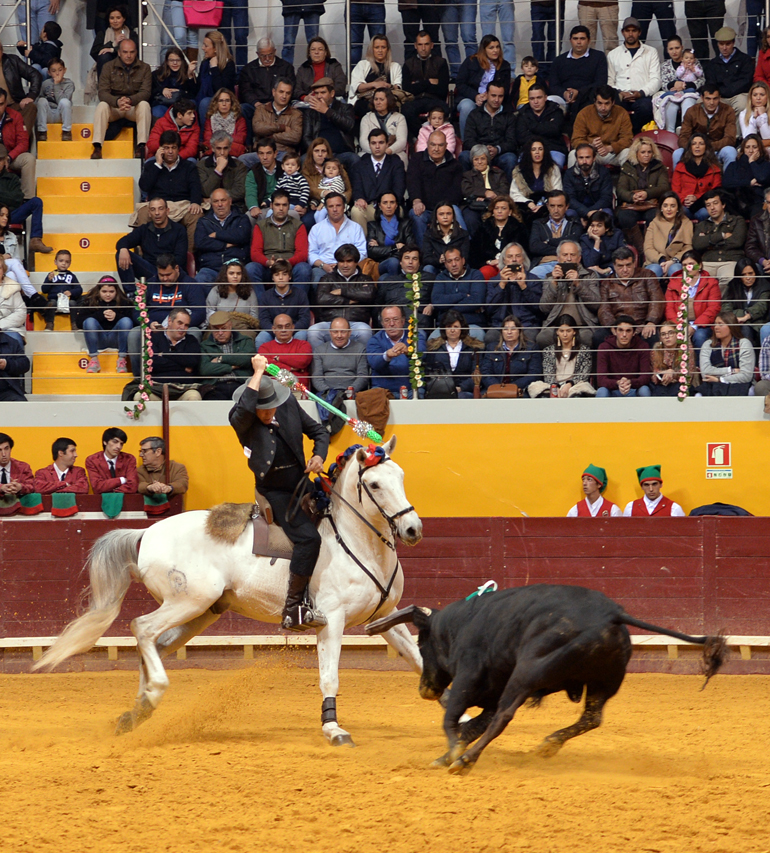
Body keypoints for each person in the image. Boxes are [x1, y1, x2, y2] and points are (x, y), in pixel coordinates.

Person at [229, 353, 329, 631]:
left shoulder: (287, 404)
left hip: (302, 483)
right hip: (275, 492)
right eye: (262, 409)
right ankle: (293, 608)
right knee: (308, 539)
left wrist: (318, 456)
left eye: (270, 407)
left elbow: (319, 432)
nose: (267, 413)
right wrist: (258, 372)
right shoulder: (242, 419)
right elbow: (245, 408)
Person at [135, 130, 203, 250]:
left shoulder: (189, 166)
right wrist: (158, 164)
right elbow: (144, 186)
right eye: (166, 148)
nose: (170, 151)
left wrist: (195, 202)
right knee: (143, 213)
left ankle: (189, 255)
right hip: (158, 206)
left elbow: (195, 187)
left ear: (178, 149)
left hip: (182, 206)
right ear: (160, 149)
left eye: (173, 148)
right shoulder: (151, 166)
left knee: (196, 215)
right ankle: (144, 254)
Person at [91, 39, 151, 161]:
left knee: (144, 105)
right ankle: (97, 146)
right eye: (125, 52)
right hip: (115, 108)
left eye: (132, 52)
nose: (128, 55)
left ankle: (141, 146)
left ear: (136, 52)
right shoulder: (108, 67)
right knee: (102, 106)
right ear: (119, 52)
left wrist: (130, 100)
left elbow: (146, 92)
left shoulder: (145, 68)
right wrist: (117, 101)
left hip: (132, 107)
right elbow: (102, 92)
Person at [307, 243, 376, 348]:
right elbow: (322, 299)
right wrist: (349, 300)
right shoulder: (327, 278)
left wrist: (341, 291)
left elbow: (368, 295)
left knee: (365, 331)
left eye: (349, 261)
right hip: (330, 323)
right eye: (341, 261)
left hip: (356, 323)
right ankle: (320, 359)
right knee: (314, 331)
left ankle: (361, 359)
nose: (345, 265)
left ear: (356, 262)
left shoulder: (365, 279)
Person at [115, 197, 187, 294]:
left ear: (167, 211)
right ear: (149, 213)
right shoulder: (144, 229)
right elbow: (122, 241)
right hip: (150, 271)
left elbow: (180, 259)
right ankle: (131, 294)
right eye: (153, 209)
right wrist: (123, 249)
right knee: (120, 253)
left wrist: (165, 272)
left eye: (160, 209)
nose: (157, 213)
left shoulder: (179, 230)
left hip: (169, 271)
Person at [537, 239, 600, 349]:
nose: (569, 258)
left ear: (579, 258)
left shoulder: (590, 275)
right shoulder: (550, 277)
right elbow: (544, 308)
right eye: (565, 255)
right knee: (542, 338)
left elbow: (596, 304)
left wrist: (578, 284)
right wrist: (554, 283)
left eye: (573, 255)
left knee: (587, 338)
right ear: (558, 258)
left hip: (582, 326)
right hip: (556, 327)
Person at [406, 130, 465, 247]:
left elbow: (456, 192)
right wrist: (417, 200)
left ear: (446, 146)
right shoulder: (417, 159)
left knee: (456, 212)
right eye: (433, 145)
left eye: (440, 145)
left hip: (445, 208)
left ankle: (461, 252)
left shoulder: (455, 165)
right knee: (417, 215)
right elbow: (413, 182)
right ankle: (424, 253)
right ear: (427, 144)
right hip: (424, 208)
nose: (436, 149)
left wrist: (442, 208)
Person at [606, 16, 661, 133]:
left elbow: (656, 79)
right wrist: (620, 93)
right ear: (623, 32)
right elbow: (610, 81)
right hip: (620, 96)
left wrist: (640, 93)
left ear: (639, 32)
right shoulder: (613, 54)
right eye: (627, 31)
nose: (630, 34)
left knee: (645, 108)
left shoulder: (651, 52)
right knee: (612, 107)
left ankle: (635, 135)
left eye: (634, 31)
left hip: (643, 96)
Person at [598, 247, 664, 343]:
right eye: (620, 266)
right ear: (614, 266)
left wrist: (651, 321)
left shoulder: (647, 275)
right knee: (599, 336)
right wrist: (612, 326)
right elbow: (604, 308)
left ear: (634, 263)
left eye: (628, 265)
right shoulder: (607, 283)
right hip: (618, 326)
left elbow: (657, 299)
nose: (625, 270)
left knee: (652, 335)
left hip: (643, 324)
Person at [193, 188, 258, 283]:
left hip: (238, 267)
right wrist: (226, 244)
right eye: (216, 201)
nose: (220, 204)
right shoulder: (203, 221)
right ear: (211, 203)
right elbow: (200, 243)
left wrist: (217, 234)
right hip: (212, 268)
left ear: (230, 201)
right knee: (201, 278)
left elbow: (242, 236)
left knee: (252, 269)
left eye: (223, 200)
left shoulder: (241, 218)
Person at [250, 190, 312, 288]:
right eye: (277, 205)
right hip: (268, 266)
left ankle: (298, 298)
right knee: (251, 268)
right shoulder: (260, 226)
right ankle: (262, 298)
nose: (281, 208)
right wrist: (268, 262)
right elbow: (255, 252)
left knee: (304, 269)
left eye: (284, 205)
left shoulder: (298, 225)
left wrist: (287, 262)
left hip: (290, 266)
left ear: (289, 206)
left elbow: (302, 253)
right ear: (271, 206)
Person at [311, 317, 370, 420]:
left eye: (343, 332)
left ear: (349, 332)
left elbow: (363, 376)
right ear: (330, 332)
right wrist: (330, 394)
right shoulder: (319, 350)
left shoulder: (360, 349)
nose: (339, 335)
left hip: (352, 396)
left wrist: (349, 392)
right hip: (327, 397)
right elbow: (317, 378)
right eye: (335, 332)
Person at [615, 137, 672, 244]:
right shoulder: (627, 167)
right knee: (624, 216)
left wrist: (647, 193)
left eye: (649, 152)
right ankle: (640, 248)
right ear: (636, 153)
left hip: (652, 204)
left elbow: (664, 187)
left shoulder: (659, 167)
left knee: (655, 216)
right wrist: (632, 196)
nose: (646, 155)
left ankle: (651, 246)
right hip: (632, 204)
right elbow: (621, 190)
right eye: (643, 152)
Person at [458, 79, 517, 181]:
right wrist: (482, 150)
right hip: (478, 154)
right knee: (464, 156)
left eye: (500, 96)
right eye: (493, 95)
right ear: (486, 95)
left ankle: (507, 190)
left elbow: (512, 142)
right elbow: (468, 141)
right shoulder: (474, 114)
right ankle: (467, 188)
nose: (497, 100)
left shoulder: (509, 116)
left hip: (500, 155)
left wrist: (497, 149)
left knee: (510, 159)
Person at [484, 241, 543, 342]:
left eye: (518, 256)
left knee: (530, 338)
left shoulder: (533, 279)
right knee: (490, 338)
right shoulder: (494, 281)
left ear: (523, 259)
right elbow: (489, 309)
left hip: (526, 325)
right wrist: (502, 284)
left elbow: (538, 308)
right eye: (510, 256)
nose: (514, 259)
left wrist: (524, 286)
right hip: (500, 325)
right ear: (504, 260)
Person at [548, 25, 608, 124]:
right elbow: (553, 85)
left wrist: (579, 92)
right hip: (563, 97)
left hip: (588, 96)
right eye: (575, 39)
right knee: (549, 101)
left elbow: (600, 82)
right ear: (570, 40)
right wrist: (564, 93)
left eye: (582, 39)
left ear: (589, 40)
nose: (579, 42)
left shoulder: (598, 57)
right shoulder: (559, 60)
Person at [692, 190, 748, 294]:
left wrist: (709, 243)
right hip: (707, 261)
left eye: (715, 203)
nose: (712, 208)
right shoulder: (701, 225)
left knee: (728, 279)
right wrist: (722, 236)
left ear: (723, 205)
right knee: (694, 278)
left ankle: (718, 304)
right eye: (708, 205)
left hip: (729, 260)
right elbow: (697, 244)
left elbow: (737, 241)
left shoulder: (737, 220)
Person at [141, 307, 202, 401]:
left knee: (194, 397)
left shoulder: (191, 340)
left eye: (186, 325)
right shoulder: (154, 338)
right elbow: (153, 363)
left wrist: (165, 354)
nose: (182, 328)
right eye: (180, 323)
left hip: (184, 388)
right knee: (139, 396)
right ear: (169, 321)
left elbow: (192, 361)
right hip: (156, 388)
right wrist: (183, 367)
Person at [350, 127, 406, 229]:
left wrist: (386, 203)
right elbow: (357, 188)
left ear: (387, 144)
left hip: (390, 205)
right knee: (356, 210)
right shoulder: (360, 165)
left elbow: (399, 188)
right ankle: (362, 240)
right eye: (373, 143)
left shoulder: (396, 163)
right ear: (369, 145)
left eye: (381, 142)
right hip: (368, 206)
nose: (377, 146)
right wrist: (359, 198)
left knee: (396, 208)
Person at [455, 35, 511, 139]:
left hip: (493, 98)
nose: (495, 50)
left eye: (497, 47)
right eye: (491, 48)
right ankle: (465, 142)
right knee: (467, 106)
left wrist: (488, 97)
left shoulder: (504, 65)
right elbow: (460, 83)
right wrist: (475, 96)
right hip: (470, 97)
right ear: (484, 49)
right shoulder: (471, 61)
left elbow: (505, 89)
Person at [664, 250, 722, 350]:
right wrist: (681, 326)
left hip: (703, 325)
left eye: (691, 264)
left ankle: (700, 361)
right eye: (684, 265)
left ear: (700, 265)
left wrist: (694, 326)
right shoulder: (674, 283)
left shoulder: (711, 283)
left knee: (700, 336)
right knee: (669, 336)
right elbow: (669, 308)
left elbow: (713, 308)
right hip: (678, 325)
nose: (688, 267)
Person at [366, 304, 427, 398]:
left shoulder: (415, 336)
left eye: (395, 319)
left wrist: (408, 351)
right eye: (387, 320)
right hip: (383, 390)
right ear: (382, 323)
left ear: (403, 321)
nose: (391, 324)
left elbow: (422, 355)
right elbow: (374, 363)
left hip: (412, 390)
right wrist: (387, 356)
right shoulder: (375, 340)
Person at [528, 314, 595, 398]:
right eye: (561, 331)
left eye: (568, 331)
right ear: (557, 332)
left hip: (574, 386)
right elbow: (548, 374)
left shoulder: (584, 351)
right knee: (534, 386)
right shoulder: (549, 351)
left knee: (583, 388)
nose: (565, 334)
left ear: (574, 332)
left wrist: (569, 384)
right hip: (553, 386)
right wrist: (555, 387)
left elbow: (583, 375)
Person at [300, 78, 358, 175]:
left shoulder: (346, 108)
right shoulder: (310, 112)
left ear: (332, 93)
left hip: (341, 153)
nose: (319, 96)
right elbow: (306, 137)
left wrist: (327, 111)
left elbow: (349, 125)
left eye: (323, 92)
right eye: (316, 93)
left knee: (354, 159)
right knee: (302, 159)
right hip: (318, 153)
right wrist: (318, 151)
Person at [77, 276, 134, 374]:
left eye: (111, 291)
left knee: (126, 321)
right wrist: (100, 315)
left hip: (118, 339)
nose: (108, 295)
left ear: (116, 291)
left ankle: (121, 360)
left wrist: (116, 316)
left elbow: (133, 321)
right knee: (89, 321)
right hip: (98, 339)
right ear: (99, 291)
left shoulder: (124, 302)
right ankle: (94, 360)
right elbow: (79, 323)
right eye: (104, 291)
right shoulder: (90, 301)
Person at [424, 309, 485, 398]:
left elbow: (477, 374)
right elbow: (429, 373)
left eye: (456, 327)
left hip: (464, 391)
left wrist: (461, 388)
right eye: (449, 327)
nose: (452, 330)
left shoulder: (474, 348)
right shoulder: (434, 348)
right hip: (440, 390)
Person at [307, 193, 367, 283]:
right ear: (326, 208)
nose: (335, 209)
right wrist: (323, 265)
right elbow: (311, 254)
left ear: (344, 207)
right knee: (317, 279)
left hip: (350, 268)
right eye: (331, 206)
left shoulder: (356, 228)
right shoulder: (316, 228)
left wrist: (344, 265)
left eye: (338, 205)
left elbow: (362, 252)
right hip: (324, 268)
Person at [674, 86, 737, 170]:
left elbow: (730, 139)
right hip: (694, 150)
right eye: (708, 99)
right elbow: (683, 137)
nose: (711, 102)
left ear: (719, 98)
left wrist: (707, 147)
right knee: (677, 153)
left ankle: (729, 178)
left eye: (715, 99)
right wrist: (695, 148)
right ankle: (678, 178)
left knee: (730, 151)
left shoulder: (728, 111)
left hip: (717, 150)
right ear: (702, 98)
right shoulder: (692, 111)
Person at [694, 310, 755, 396]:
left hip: (739, 385)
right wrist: (731, 371)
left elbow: (746, 376)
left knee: (751, 392)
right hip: (713, 386)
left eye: (720, 324)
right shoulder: (708, 344)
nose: (716, 327)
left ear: (731, 326)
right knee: (698, 396)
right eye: (715, 324)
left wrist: (720, 379)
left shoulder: (743, 343)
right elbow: (706, 373)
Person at [400, 31, 449, 138]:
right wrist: (429, 82)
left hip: (435, 99)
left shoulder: (441, 62)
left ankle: (434, 138)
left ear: (432, 45)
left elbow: (442, 90)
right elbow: (407, 90)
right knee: (406, 111)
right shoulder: (408, 64)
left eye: (426, 44)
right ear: (415, 46)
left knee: (444, 109)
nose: (423, 48)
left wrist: (417, 85)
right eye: (420, 44)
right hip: (414, 100)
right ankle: (424, 137)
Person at [431, 246, 486, 341]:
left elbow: (476, 301)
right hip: (446, 326)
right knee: (431, 341)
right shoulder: (441, 277)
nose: (454, 264)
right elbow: (437, 302)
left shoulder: (475, 275)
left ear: (463, 260)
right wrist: (463, 295)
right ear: (445, 264)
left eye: (457, 260)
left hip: (471, 324)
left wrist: (446, 308)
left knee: (479, 335)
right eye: (449, 261)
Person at [570, 86, 633, 168]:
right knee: (573, 154)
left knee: (628, 153)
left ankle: (628, 176)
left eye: (607, 103)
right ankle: (574, 177)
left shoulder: (622, 113)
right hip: (591, 153)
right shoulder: (584, 113)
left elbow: (627, 139)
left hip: (613, 153)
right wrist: (590, 146)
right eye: (599, 103)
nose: (603, 108)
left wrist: (611, 148)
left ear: (613, 102)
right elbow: (576, 140)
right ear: (594, 102)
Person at [480, 314, 542, 397]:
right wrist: (499, 388)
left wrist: (511, 388)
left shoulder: (532, 348)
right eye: (505, 329)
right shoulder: (491, 348)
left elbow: (534, 374)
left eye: (513, 329)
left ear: (519, 331)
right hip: (495, 389)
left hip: (520, 390)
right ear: (502, 332)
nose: (509, 332)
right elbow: (485, 372)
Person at [200, 311, 256, 400]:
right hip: (215, 387)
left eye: (224, 328)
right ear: (211, 329)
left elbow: (246, 359)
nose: (220, 333)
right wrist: (232, 366)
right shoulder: (204, 346)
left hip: (241, 384)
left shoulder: (245, 341)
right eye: (216, 329)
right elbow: (205, 369)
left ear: (230, 326)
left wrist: (221, 359)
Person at [528, 191, 584, 279]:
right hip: (544, 265)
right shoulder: (538, 224)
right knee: (531, 277)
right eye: (552, 206)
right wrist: (563, 250)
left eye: (560, 206)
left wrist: (548, 241)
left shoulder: (575, 223)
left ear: (567, 207)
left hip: (570, 264)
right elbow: (534, 246)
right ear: (547, 206)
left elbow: (574, 240)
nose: (556, 210)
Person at [256, 259, 311, 346]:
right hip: (273, 331)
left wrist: (291, 329)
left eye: (284, 274)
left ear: (289, 277)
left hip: (294, 330)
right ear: (272, 278)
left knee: (301, 335)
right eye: (277, 275)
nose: (281, 278)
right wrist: (276, 330)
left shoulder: (300, 294)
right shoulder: (265, 296)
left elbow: (305, 319)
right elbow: (263, 320)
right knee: (261, 338)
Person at [596, 315, 652, 398]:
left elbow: (646, 377)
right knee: (602, 391)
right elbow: (601, 380)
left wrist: (630, 382)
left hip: (634, 388)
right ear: (615, 331)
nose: (624, 335)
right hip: (612, 389)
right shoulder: (604, 347)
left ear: (634, 333)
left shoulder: (642, 346)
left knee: (644, 390)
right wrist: (618, 383)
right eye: (620, 330)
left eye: (628, 331)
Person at [470, 195, 527, 277]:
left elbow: (524, 252)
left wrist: (505, 262)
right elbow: (475, 253)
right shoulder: (483, 228)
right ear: (493, 211)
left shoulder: (519, 228)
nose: (499, 211)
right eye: (496, 208)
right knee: (484, 272)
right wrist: (489, 262)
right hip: (490, 265)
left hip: (513, 264)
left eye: (503, 208)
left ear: (510, 212)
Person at [349, 35, 403, 121]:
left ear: (387, 49)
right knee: (363, 107)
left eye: (383, 47)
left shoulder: (395, 66)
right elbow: (357, 87)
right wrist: (374, 84)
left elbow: (398, 88)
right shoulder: (362, 64)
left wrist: (388, 86)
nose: (380, 50)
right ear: (372, 49)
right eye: (377, 47)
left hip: (387, 102)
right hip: (366, 101)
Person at [460, 145, 509, 238]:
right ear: (472, 161)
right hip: (473, 206)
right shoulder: (467, 175)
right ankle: (476, 243)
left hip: (494, 204)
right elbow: (466, 190)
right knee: (471, 219)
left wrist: (491, 196)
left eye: (482, 158)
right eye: (476, 159)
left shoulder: (498, 173)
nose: (479, 162)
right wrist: (485, 193)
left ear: (488, 159)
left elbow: (504, 189)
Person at [656, 37, 704, 133]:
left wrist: (685, 85)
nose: (674, 51)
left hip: (689, 93)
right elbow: (664, 84)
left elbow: (702, 80)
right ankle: (670, 133)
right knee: (670, 106)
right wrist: (674, 84)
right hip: (673, 94)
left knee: (688, 102)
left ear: (682, 47)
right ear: (667, 50)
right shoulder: (665, 65)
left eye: (677, 48)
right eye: (671, 49)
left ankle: (685, 131)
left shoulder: (693, 61)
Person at [508, 138, 562, 223]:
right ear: (529, 152)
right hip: (526, 206)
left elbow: (557, 191)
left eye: (540, 149)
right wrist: (528, 203)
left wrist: (543, 205)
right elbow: (514, 194)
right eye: (533, 149)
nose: (537, 152)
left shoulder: (553, 169)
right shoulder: (519, 170)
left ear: (544, 152)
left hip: (547, 206)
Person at [513, 83, 566, 168]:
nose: (536, 102)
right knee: (522, 168)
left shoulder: (556, 111)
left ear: (545, 97)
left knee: (554, 168)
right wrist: (546, 129)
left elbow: (555, 130)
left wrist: (531, 127)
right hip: (529, 150)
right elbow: (522, 137)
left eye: (539, 97)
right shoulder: (523, 113)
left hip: (554, 149)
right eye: (532, 98)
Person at [704, 26, 754, 116]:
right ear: (717, 44)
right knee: (701, 102)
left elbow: (746, 81)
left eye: (728, 44)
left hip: (739, 95)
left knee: (742, 106)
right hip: (719, 96)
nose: (724, 48)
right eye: (721, 44)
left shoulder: (745, 60)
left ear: (733, 43)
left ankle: (733, 126)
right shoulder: (712, 63)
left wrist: (725, 91)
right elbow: (710, 82)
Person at [672, 133, 723, 222]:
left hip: (703, 204)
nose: (697, 146)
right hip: (684, 204)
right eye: (694, 143)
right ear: (690, 147)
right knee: (678, 211)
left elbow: (715, 191)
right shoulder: (680, 167)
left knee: (705, 213)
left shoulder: (714, 168)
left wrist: (696, 198)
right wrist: (685, 200)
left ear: (706, 147)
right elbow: (675, 190)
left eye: (701, 144)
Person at [644, 192, 693, 281]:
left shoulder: (686, 223)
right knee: (654, 270)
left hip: (677, 261)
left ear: (678, 208)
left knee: (675, 269)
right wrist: (661, 260)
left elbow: (688, 247)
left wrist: (673, 260)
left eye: (672, 206)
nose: (669, 209)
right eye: (665, 206)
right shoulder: (654, 224)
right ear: (661, 208)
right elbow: (648, 248)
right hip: (656, 261)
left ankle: (680, 291)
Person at [250, 77, 302, 161]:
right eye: (281, 92)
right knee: (243, 159)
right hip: (262, 152)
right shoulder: (261, 109)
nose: (284, 96)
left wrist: (270, 136)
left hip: (283, 152)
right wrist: (281, 127)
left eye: (288, 93)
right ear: (274, 92)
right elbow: (257, 128)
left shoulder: (296, 114)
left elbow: (295, 137)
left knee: (288, 161)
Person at [0, 89, 38, 203]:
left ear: (6, 103)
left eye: (1, 104)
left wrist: (9, 157)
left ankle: (27, 201)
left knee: (29, 159)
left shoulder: (15, 116)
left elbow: (23, 143)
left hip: (11, 157)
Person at [721, 259, 769, 346]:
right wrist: (740, 317)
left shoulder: (764, 285)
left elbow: (762, 306)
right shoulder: (733, 285)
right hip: (736, 322)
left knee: (746, 328)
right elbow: (726, 308)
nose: (748, 278)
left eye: (750, 273)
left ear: (756, 273)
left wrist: (746, 316)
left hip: (758, 323)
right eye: (743, 275)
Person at [0, 41, 42, 141]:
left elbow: (35, 75)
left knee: (30, 107)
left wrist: (31, 96)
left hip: (14, 105)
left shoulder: (12, 60)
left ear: (1, 51)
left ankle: (20, 141)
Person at [366, 191, 414, 277]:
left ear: (396, 205)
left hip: (402, 263)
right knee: (393, 261)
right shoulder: (372, 225)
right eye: (385, 203)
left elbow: (410, 248)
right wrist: (395, 247)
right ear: (380, 206)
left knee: (384, 279)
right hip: (381, 264)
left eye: (392, 202)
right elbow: (371, 251)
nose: (389, 206)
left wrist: (380, 248)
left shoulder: (405, 224)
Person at [197, 130, 248, 211]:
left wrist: (217, 199)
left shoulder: (239, 166)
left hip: (234, 207)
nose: (222, 152)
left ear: (230, 147)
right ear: (213, 148)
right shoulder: (202, 165)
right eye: (218, 148)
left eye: (225, 148)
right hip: (209, 208)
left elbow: (240, 191)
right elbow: (205, 191)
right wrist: (218, 170)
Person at [563, 143, 614, 224]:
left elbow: (606, 198)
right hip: (578, 211)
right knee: (569, 213)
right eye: (581, 158)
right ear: (576, 158)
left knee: (607, 213)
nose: (584, 161)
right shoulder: (569, 174)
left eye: (588, 157)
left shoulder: (604, 172)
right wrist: (586, 213)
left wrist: (591, 214)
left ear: (594, 158)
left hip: (598, 209)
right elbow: (570, 199)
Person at [723, 134, 770, 220]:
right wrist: (749, 183)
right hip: (736, 203)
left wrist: (752, 162)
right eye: (747, 147)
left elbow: (761, 178)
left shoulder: (766, 165)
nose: (751, 151)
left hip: (757, 203)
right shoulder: (734, 165)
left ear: (760, 149)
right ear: (743, 149)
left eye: (754, 147)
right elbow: (726, 183)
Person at [258, 314, 314, 386]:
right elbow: (266, 366)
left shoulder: (303, 344)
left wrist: (279, 358)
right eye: (280, 327)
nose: (283, 330)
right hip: (273, 387)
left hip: (298, 386)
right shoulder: (265, 347)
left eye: (287, 326)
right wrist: (290, 368)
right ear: (274, 329)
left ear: (292, 328)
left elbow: (303, 361)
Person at [358, 88, 408, 166]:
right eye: (376, 99)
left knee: (400, 160)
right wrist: (376, 151)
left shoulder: (399, 118)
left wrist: (388, 151)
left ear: (389, 101)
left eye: (381, 99)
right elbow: (363, 141)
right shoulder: (366, 118)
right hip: (370, 152)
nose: (378, 102)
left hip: (393, 152)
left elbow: (402, 141)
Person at [650, 319, 699, 397]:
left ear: (677, 334)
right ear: (660, 338)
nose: (667, 337)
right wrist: (665, 373)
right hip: (662, 385)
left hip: (682, 385)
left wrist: (673, 374)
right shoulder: (656, 350)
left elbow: (688, 376)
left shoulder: (686, 349)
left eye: (671, 333)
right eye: (663, 334)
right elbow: (654, 375)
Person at [196, 31, 237, 122]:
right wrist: (190, 76)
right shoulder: (205, 63)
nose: (203, 48)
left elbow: (222, 90)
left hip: (221, 100)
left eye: (206, 46)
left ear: (215, 49)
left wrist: (214, 68)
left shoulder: (229, 64)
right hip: (202, 97)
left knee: (204, 103)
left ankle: (204, 131)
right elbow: (198, 87)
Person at [150, 47, 198, 120]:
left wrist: (189, 76)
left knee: (190, 107)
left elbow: (193, 94)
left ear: (182, 61)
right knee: (158, 111)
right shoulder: (158, 74)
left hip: (182, 103)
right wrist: (162, 90)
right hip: (163, 103)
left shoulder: (187, 72)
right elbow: (151, 92)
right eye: (171, 60)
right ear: (167, 61)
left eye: (178, 60)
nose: (175, 63)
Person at [85, 427, 138, 494]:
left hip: (125, 499)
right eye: (115, 442)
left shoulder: (129, 459)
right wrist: (121, 480)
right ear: (105, 442)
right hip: (103, 499)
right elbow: (97, 487)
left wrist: (110, 490)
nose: (118, 446)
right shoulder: (92, 460)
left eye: (121, 444)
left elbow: (133, 486)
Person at [205, 259, 258, 326]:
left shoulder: (249, 291)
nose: (235, 276)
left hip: (243, 328)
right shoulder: (216, 290)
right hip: (220, 327)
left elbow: (254, 317)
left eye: (238, 273)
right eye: (231, 273)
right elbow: (209, 313)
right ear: (225, 275)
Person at [421, 202, 470, 275]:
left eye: (448, 214)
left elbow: (465, 256)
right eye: (441, 214)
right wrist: (439, 260)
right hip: (437, 267)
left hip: (456, 266)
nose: (445, 217)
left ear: (453, 216)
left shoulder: (463, 234)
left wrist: (452, 259)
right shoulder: (429, 234)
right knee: (428, 268)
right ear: (436, 217)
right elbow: (426, 258)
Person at [39, 249, 82, 330]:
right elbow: (44, 289)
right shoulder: (51, 275)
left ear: (70, 263)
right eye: (61, 261)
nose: (64, 263)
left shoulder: (72, 276)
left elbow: (79, 289)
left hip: (67, 300)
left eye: (67, 261)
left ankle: (74, 324)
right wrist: (49, 280)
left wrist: (71, 292)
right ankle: (49, 323)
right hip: (54, 300)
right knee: (52, 303)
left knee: (73, 303)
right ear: (55, 262)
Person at [293, 37, 347, 101]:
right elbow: (296, 89)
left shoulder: (334, 65)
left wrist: (326, 95)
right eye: (313, 49)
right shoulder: (303, 68)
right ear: (309, 53)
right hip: (309, 101)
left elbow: (341, 86)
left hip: (331, 100)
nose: (316, 52)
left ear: (325, 52)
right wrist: (305, 97)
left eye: (320, 49)